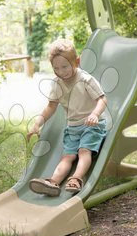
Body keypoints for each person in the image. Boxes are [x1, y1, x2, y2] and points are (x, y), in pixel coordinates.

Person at [27, 39, 108, 196]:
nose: (61, 71)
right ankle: (53, 182)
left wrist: (95, 114)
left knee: (84, 151)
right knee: (67, 157)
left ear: (76, 62)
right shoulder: (57, 84)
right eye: (56, 68)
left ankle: (76, 178)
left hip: (92, 125)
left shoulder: (85, 79)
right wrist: (38, 123)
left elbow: (102, 99)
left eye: (64, 66)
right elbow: (51, 106)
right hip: (72, 128)